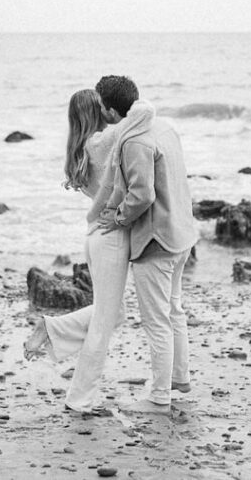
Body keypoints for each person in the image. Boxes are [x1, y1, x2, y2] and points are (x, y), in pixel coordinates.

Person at [23, 88, 155, 414]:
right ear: (98, 111)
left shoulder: (81, 148)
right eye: (103, 107)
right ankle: (80, 399)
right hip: (110, 239)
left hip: (98, 236)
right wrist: (129, 97)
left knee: (114, 314)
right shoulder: (102, 142)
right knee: (103, 322)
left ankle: (51, 328)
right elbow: (145, 112)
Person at [96, 75, 198, 415]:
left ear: (111, 110)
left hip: (157, 239)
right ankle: (177, 379)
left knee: (157, 321)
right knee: (174, 310)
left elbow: (142, 195)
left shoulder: (133, 141)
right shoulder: (163, 126)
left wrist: (119, 218)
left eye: (100, 106)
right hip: (182, 231)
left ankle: (158, 397)